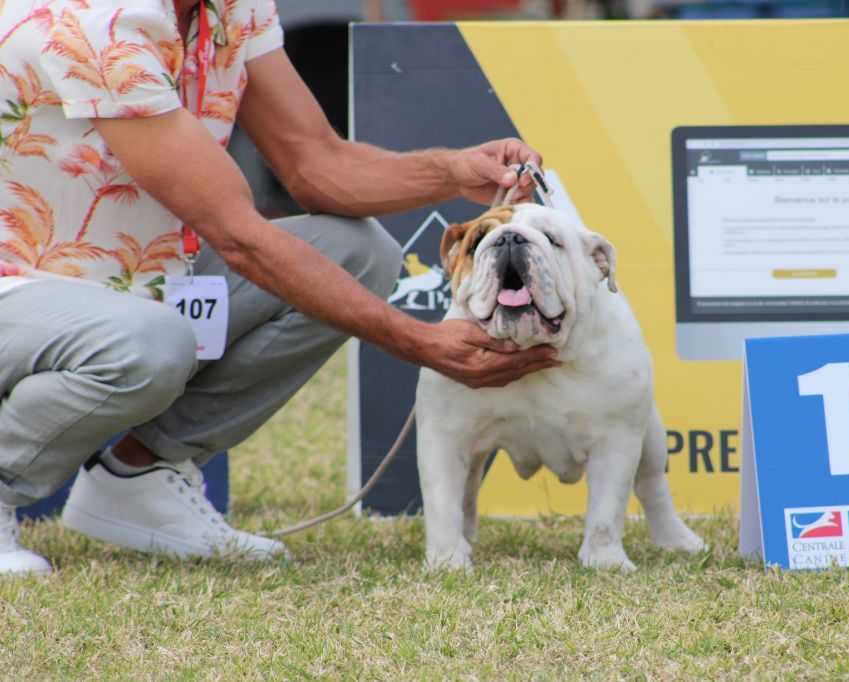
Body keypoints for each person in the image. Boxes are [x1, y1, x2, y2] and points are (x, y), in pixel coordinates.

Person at [0, 0, 559, 575]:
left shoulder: (234, 7)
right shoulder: (101, 18)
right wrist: (417, 340)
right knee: (149, 341)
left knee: (359, 253)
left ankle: (140, 477)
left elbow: (316, 163)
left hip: (135, 278)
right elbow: (239, 236)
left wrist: (452, 170)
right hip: (14, 288)